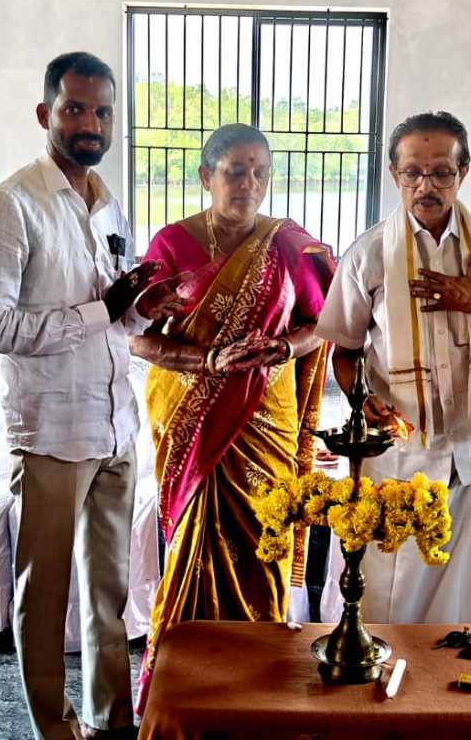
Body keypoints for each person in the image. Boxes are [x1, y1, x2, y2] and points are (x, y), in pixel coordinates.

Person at [0, 52, 183, 740]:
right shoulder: (9, 205)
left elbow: (118, 317)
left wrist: (144, 307)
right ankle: (54, 728)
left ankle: (109, 720)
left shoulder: (108, 202)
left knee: (110, 593)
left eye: (103, 112)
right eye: (75, 109)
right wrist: (103, 310)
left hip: (116, 425)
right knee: (45, 593)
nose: (91, 124)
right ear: (45, 114)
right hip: (52, 431)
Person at [315, 111, 471, 627]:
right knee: (386, 606)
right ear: (394, 174)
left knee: (469, 611)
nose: (425, 186)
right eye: (412, 172)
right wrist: (364, 400)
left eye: (441, 173)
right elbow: (344, 351)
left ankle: (461, 684)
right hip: (398, 462)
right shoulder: (368, 254)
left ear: (463, 172)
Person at [130, 123, 334, 714]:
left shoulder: (289, 245)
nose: (250, 184)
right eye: (236, 171)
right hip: (192, 420)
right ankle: (188, 694)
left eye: (260, 172)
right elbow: (138, 337)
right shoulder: (172, 245)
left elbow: (324, 323)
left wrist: (284, 347)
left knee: (263, 540)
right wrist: (207, 361)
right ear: (206, 176)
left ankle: (260, 690)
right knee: (194, 547)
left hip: (266, 419)